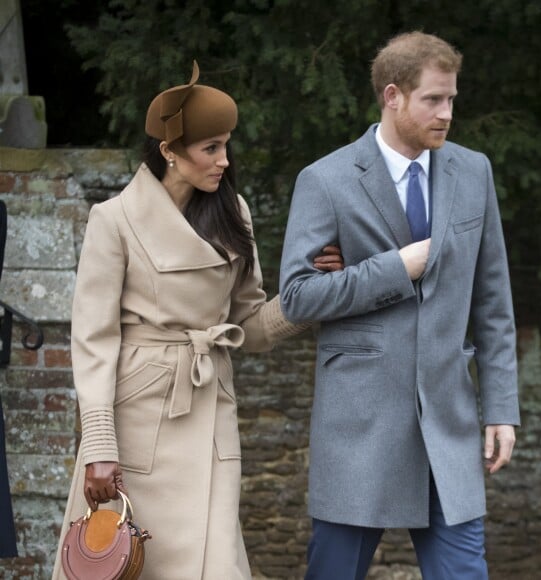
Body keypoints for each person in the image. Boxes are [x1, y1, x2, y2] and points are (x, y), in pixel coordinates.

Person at [52, 61, 342, 580]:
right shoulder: (113, 221)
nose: (224, 161)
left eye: (226, 145)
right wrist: (98, 446)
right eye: (211, 148)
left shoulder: (234, 213)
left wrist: (311, 297)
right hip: (136, 423)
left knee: (217, 564)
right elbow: (93, 342)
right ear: (169, 151)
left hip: (210, 409)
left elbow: (249, 327)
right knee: (129, 564)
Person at [279, 31, 520, 580]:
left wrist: (502, 407)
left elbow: (493, 301)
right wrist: (398, 266)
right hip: (359, 425)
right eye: (433, 100)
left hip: (448, 424)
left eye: (452, 99)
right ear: (393, 96)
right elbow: (296, 297)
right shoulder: (326, 180)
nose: (447, 113)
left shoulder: (473, 172)